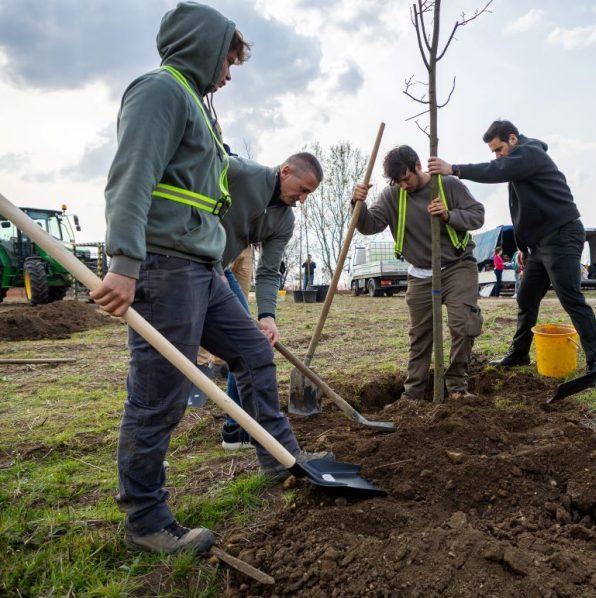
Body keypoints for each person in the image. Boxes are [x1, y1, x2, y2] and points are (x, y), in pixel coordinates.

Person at [91, 3, 326, 556]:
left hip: (206, 269)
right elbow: (131, 177)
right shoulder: (161, 92)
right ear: (204, 47)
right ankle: (145, 519)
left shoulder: (199, 110)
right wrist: (125, 263)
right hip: (165, 266)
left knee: (253, 352)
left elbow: (261, 255)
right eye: (227, 59)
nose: (228, 73)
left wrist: (263, 309)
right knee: (159, 396)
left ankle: (280, 456)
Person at [429, 121, 596, 374]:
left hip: (562, 234)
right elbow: (523, 211)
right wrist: (524, 246)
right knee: (526, 297)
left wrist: (454, 169)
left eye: (498, 149)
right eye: (493, 151)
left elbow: (496, 170)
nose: (496, 155)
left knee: (571, 297)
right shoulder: (520, 168)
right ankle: (520, 353)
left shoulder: (531, 153)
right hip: (539, 244)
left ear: (513, 139)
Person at [352, 145, 485, 400]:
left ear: (417, 166)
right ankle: (413, 395)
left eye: (406, 178)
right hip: (420, 274)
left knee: (464, 324)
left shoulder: (447, 186)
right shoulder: (392, 196)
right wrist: (358, 204)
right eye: (397, 182)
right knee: (420, 335)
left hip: (457, 266)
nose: (403, 185)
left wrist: (448, 215)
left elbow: (477, 215)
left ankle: (456, 387)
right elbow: (369, 225)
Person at [220, 153, 323, 450]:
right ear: (286, 171)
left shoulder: (284, 221)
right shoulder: (239, 172)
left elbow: (268, 271)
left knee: (252, 344)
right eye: (302, 190)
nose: (303, 199)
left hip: (221, 270)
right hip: (190, 262)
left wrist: (267, 315)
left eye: (309, 195)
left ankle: (236, 429)